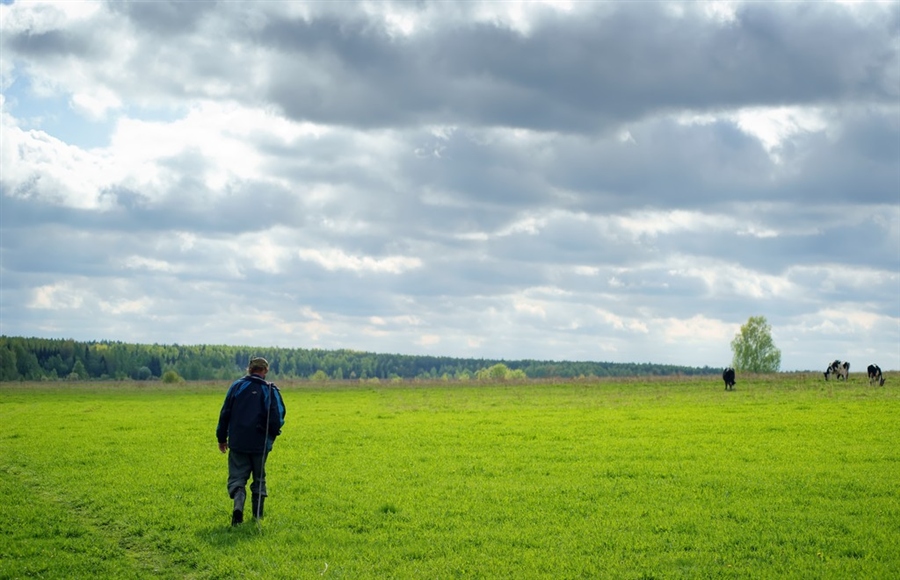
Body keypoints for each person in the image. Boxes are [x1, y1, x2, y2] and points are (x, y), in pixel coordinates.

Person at [216, 356, 286, 526]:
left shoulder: (237, 386)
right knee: (259, 478)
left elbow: (225, 412)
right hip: (260, 444)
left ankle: (238, 505)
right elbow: (278, 417)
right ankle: (257, 517)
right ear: (265, 371)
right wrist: (271, 435)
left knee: (237, 477)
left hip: (238, 442)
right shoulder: (270, 390)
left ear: (249, 369)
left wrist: (221, 438)